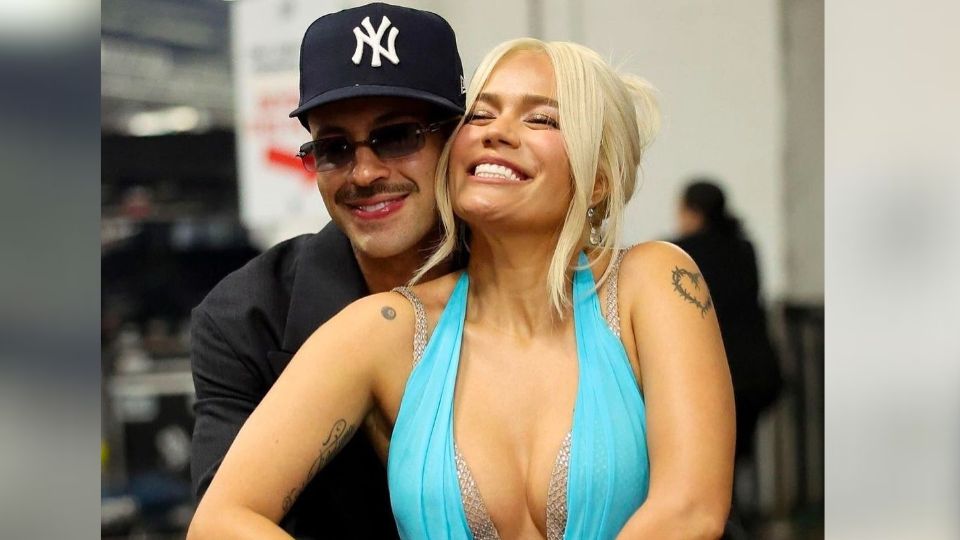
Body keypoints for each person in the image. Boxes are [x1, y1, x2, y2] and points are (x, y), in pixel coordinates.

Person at [189, 38, 735, 540]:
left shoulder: (652, 281)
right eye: (481, 114)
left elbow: (691, 510)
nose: (498, 131)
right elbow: (220, 520)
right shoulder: (383, 329)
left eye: (542, 118)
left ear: (597, 179)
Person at [188, 3, 465, 538]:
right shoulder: (245, 320)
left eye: (397, 136)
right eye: (334, 148)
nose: (364, 173)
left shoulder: (518, 282)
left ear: (454, 140)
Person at [673, 179, 782, 501]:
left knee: (705, 463)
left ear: (692, 212)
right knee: (733, 459)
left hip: (709, 374)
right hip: (755, 372)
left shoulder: (678, 254)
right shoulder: (744, 249)